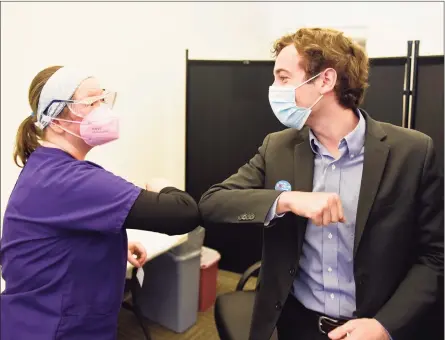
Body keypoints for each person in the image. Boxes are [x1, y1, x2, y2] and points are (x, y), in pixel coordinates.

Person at [199, 28, 443, 340]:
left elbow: (436, 256)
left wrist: (384, 326)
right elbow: (212, 202)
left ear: (325, 81)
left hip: (373, 327)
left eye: (284, 78)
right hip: (297, 323)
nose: (274, 89)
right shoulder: (278, 147)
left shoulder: (412, 152)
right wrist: (286, 201)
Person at [0, 66, 200, 340]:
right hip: (53, 330)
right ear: (56, 120)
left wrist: (109, 246)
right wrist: (161, 185)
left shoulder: (46, 166)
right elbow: (183, 213)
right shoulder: (69, 180)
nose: (103, 108)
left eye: (103, 98)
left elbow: (52, 240)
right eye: (91, 102)